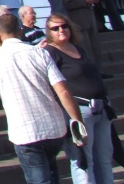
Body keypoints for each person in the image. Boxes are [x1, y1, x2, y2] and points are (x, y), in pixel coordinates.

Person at [0, 12, 85, 184]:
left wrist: (0, 95)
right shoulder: (40, 53)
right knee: (51, 172)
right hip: (54, 127)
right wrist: (78, 122)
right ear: (20, 31)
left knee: (40, 179)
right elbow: (63, 91)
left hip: (25, 132)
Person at [44, 12, 113, 184]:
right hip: (78, 111)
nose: (61, 30)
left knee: (104, 157)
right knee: (82, 160)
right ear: (49, 32)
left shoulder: (78, 48)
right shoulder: (50, 53)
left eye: (64, 26)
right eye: (55, 28)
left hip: (101, 108)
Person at [61, 0, 104, 69]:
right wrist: (85, 2)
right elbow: (67, 4)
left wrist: (91, 1)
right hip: (79, 21)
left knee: (95, 47)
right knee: (86, 47)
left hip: (90, 19)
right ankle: (91, 70)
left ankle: (98, 69)